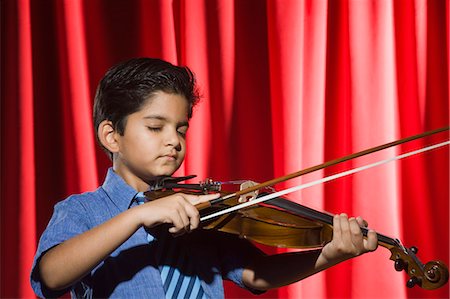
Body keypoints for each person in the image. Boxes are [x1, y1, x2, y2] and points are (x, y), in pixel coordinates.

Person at [30, 57, 378, 298]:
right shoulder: (83, 211)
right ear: (112, 136)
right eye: (155, 127)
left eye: (181, 129)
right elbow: (51, 276)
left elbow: (259, 275)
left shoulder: (201, 213)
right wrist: (136, 215)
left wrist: (329, 255)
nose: (173, 140)